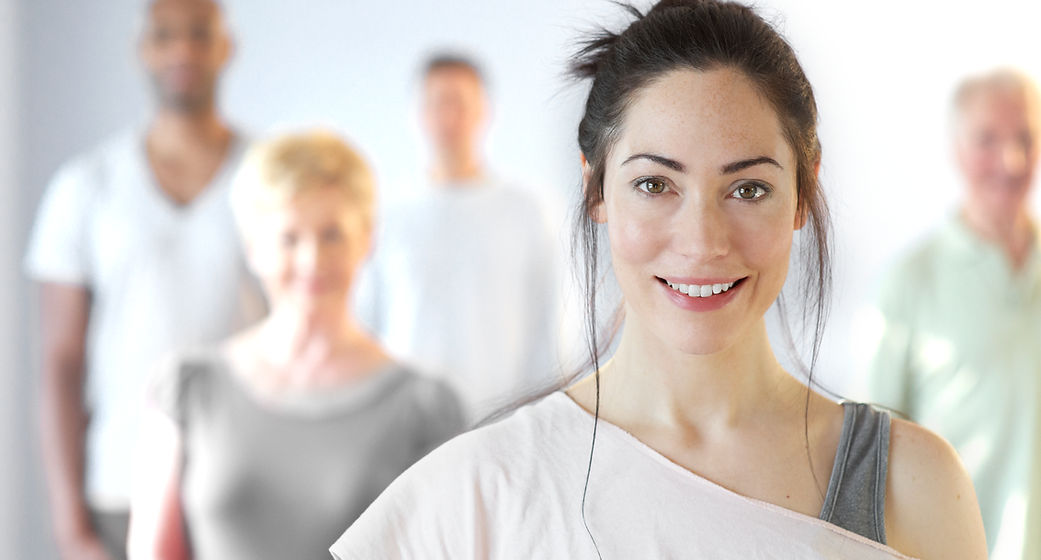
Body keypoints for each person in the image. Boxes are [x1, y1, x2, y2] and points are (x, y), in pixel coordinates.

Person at [329, 1, 988, 558]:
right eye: (653, 184)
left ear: (801, 192)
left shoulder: (912, 485)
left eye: (748, 188)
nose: (702, 241)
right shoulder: (472, 497)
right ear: (595, 188)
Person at [126, 131, 465, 560]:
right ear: (253, 248)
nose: (311, 260)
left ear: (367, 239)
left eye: (332, 235)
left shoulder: (426, 407)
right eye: (289, 238)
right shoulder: (188, 387)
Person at [23, 1, 264, 558]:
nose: (183, 49)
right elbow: (61, 362)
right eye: (166, 35)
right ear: (143, 49)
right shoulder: (85, 187)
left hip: (247, 486)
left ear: (227, 46)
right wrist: (71, 524)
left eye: (200, 34)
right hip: (120, 491)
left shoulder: (267, 178)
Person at [865, 68, 1041, 560]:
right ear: (957, 149)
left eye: (1025, 138)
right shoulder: (908, 282)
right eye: (988, 139)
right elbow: (872, 456)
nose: (1010, 160)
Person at [354, 54, 561, 422]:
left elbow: (548, 325)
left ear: (485, 112)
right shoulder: (384, 215)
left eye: (460, 103)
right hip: (407, 427)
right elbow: (364, 325)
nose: (448, 118)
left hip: (503, 421)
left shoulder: (527, 211)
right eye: (436, 103)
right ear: (417, 114)